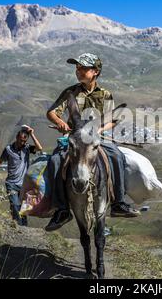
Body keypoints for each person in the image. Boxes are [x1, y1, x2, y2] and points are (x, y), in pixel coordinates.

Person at [44, 53, 140, 232]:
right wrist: (61, 123)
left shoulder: (105, 95)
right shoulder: (69, 92)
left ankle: (118, 203)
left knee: (117, 155)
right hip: (74, 138)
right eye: (77, 68)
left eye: (83, 68)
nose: (78, 71)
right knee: (55, 160)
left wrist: (100, 130)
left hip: (98, 138)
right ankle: (62, 209)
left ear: (95, 71)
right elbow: (51, 112)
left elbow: (113, 120)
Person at [0, 126, 43, 226]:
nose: (22, 143)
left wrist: (32, 134)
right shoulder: (8, 149)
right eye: (21, 140)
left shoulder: (27, 148)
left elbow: (39, 148)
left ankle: (23, 227)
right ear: (17, 138)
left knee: (24, 208)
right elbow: (0, 160)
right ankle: (19, 227)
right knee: (15, 205)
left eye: (24, 141)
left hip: (24, 184)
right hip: (11, 183)